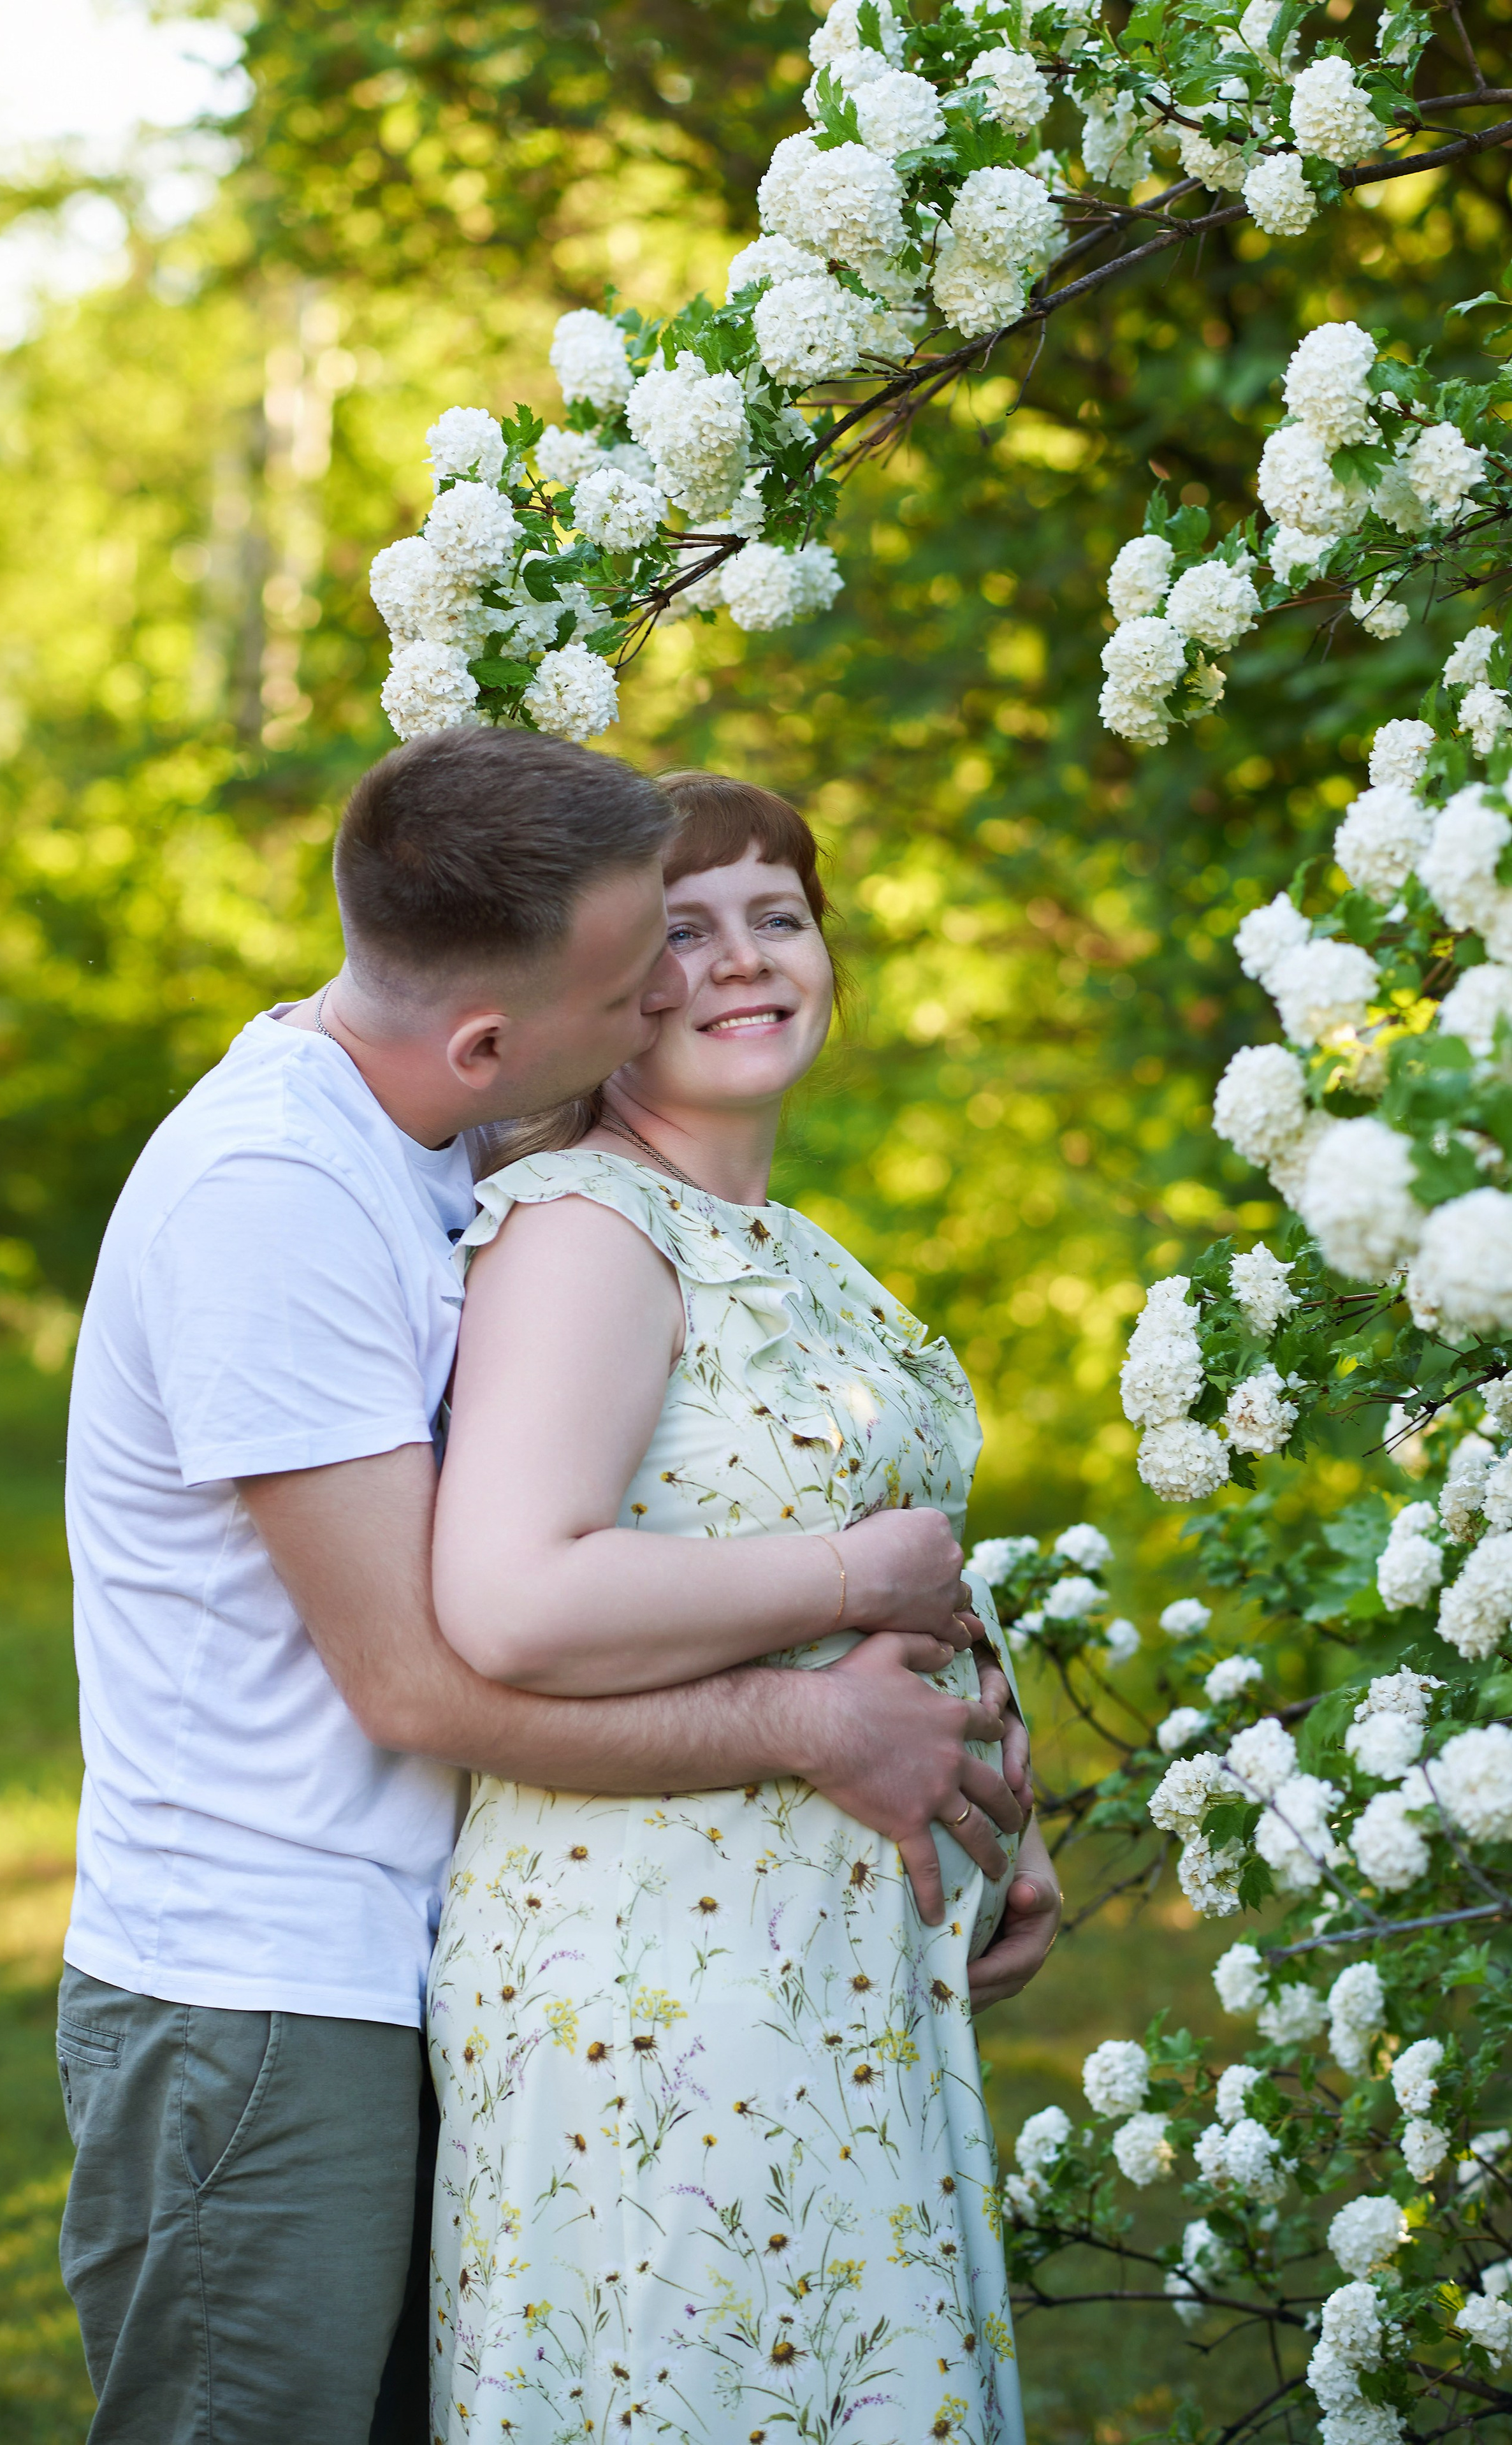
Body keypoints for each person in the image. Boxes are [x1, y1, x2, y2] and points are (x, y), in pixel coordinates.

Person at [55, 726, 1057, 2445]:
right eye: (634, 969)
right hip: (257, 1980)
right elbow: (432, 1675)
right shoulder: (274, 1196)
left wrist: (971, 1762)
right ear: (492, 1036)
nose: (678, 986)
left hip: (406, 1945)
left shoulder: (425, 1149)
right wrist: (823, 1712)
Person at [426, 770, 1053, 2445]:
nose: (743, 960)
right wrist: (856, 1580)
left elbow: (918, 1557)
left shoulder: (792, 1243)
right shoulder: (584, 1234)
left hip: (826, 1975)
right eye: (682, 932)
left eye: (779, 915)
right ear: (613, 993)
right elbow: (510, 1592)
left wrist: (1008, 1807)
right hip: (656, 1979)